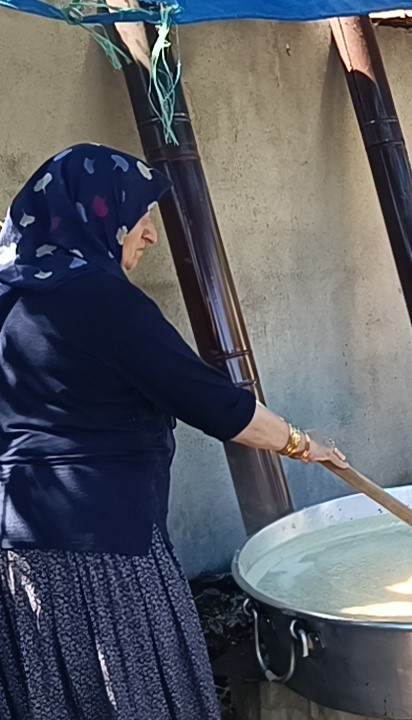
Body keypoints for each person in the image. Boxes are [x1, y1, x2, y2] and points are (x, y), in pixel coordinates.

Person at [0, 144, 346, 720]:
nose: (150, 234)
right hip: (104, 555)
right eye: (140, 214)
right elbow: (216, 406)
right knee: (137, 698)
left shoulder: (9, 292)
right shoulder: (101, 300)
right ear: (98, 214)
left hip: (16, 552)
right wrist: (301, 444)